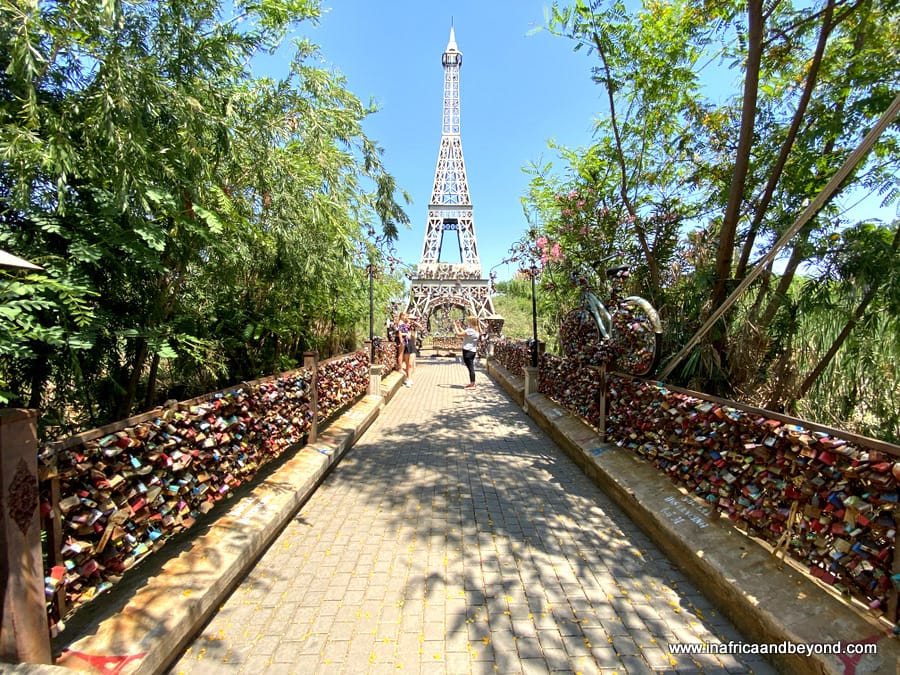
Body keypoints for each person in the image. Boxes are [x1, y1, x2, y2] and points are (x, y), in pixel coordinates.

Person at [455, 316, 481, 389]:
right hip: (472, 351)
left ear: (471, 322)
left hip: (467, 352)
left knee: (470, 368)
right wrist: (459, 327)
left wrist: (455, 327)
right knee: (470, 367)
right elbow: (465, 333)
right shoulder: (476, 331)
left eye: (469, 321)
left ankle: (472, 384)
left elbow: (459, 334)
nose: (468, 322)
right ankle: (472, 383)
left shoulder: (470, 330)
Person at [400, 314, 421, 386]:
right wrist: (405, 334)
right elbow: (399, 333)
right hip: (406, 345)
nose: (411, 320)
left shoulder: (413, 326)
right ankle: (407, 378)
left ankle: (410, 379)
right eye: (410, 318)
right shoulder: (403, 326)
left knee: (410, 364)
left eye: (413, 319)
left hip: (412, 345)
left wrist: (414, 322)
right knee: (407, 364)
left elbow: (421, 327)